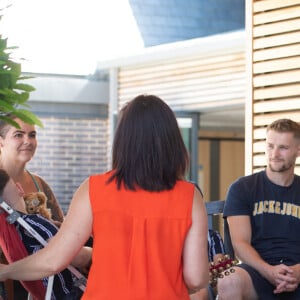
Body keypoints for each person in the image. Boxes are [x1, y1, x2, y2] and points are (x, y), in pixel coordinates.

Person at [0, 94, 209, 299]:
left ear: (123, 140)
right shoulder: (190, 197)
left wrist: (7, 271)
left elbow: (53, 261)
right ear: (172, 140)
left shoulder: (93, 189)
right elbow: (195, 278)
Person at [217, 118, 300, 300]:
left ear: (298, 150)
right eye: (270, 146)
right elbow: (240, 244)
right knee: (228, 280)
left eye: (283, 148)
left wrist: (296, 272)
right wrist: (269, 271)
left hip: (297, 270)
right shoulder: (243, 188)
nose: (275, 153)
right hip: (257, 271)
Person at [0, 168, 91, 299]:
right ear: (20, 188)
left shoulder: (8, 229)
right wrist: (93, 252)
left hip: (46, 292)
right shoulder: (36, 223)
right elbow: (74, 257)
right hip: (69, 292)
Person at [0, 115, 65, 299]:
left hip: (43, 281)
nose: (27, 141)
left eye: (32, 135)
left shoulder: (39, 184)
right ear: (1, 141)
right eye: (18, 135)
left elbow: (61, 233)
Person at [190, 229, 225, 300]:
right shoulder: (176, 235)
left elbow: (218, 266)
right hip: (180, 282)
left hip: (205, 281)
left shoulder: (212, 235)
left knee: (197, 297)